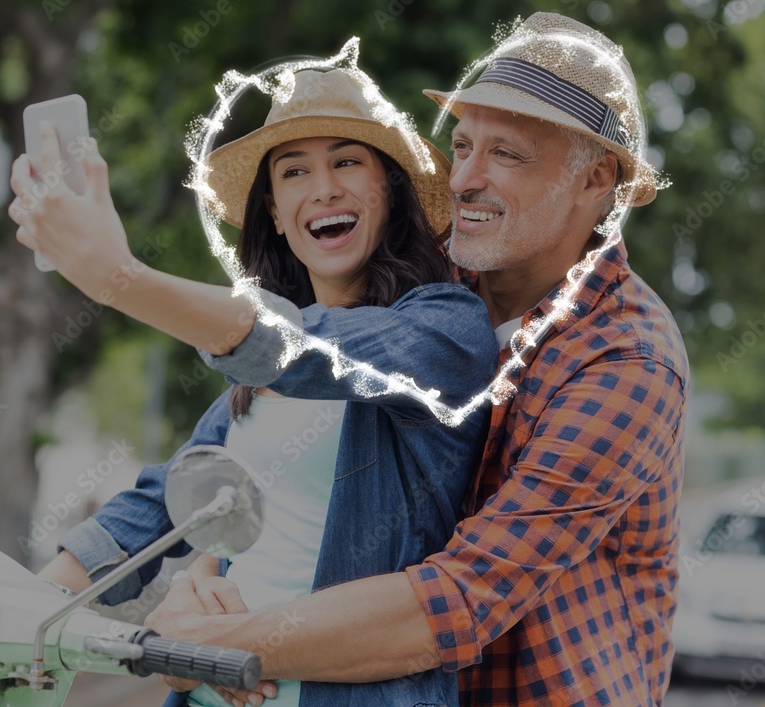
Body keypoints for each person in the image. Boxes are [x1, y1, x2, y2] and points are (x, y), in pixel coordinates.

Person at [142, 12, 690, 707]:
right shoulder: (424, 295)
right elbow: (271, 446)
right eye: (461, 145)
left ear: (595, 178)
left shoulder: (628, 358)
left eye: (506, 154)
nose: (463, 179)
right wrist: (214, 570)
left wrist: (216, 643)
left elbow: (460, 597)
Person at [17, 66, 495, 707]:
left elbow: (303, 348)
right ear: (272, 208)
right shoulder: (244, 393)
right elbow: (160, 508)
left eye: (347, 162)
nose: (322, 189)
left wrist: (119, 278)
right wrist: (18, 609)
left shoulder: (445, 331)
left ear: (390, 186)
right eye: (293, 171)